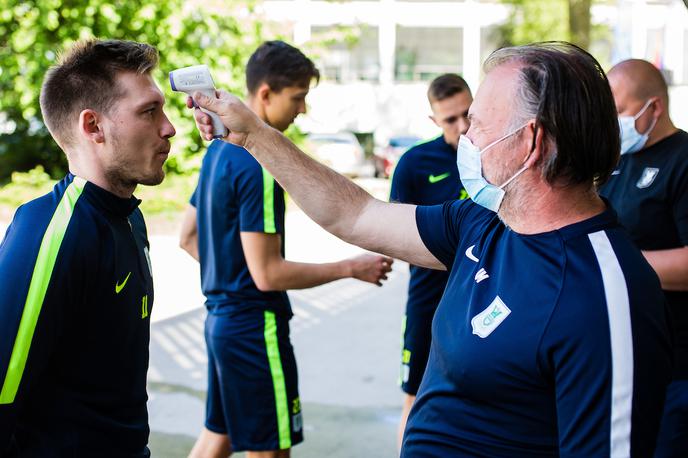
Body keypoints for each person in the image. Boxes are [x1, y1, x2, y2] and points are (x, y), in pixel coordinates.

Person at [188, 41, 674, 456]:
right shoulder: (484, 222)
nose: (465, 135)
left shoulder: (602, 296)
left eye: (479, 124)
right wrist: (255, 136)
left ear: (531, 143)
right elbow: (354, 214)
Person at [178, 40, 393, 458]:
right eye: (297, 98)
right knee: (270, 451)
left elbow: (188, 238)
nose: (302, 109)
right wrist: (350, 267)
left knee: (217, 438)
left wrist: (231, 275)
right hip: (254, 330)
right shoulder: (259, 162)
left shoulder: (217, 152)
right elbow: (268, 274)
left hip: (221, 323)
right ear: (265, 94)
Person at [0, 39, 175, 456]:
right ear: (93, 126)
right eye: (149, 112)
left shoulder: (129, 216)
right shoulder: (50, 231)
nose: (169, 127)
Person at [599, 58, 688, 457]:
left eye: (618, 111)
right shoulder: (614, 162)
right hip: (623, 360)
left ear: (654, 107)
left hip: (678, 365)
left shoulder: (683, 160)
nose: (612, 121)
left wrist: (617, 264)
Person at [389, 73, 472, 447]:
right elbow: (392, 233)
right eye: (451, 120)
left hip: (486, 295)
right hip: (429, 300)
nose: (463, 126)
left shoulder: (497, 155)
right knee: (416, 398)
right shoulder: (414, 163)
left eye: (468, 113)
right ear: (434, 121)